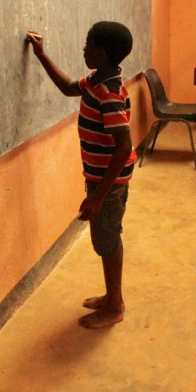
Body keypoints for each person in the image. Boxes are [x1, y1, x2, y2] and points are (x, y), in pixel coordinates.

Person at [26, 21, 135, 329]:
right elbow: (67, 88)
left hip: (109, 183)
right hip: (101, 179)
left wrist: (98, 195)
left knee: (107, 240)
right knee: (107, 237)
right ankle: (111, 296)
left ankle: (115, 305)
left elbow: (123, 146)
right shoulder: (96, 79)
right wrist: (41, 54)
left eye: (87, 45)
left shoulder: (109, 93)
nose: (83, 48)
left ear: (100, 53)